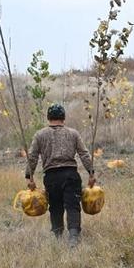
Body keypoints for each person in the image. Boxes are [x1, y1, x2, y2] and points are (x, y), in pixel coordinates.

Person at [24, 103, 96, 246]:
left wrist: (29, 177)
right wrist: (91, 173)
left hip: (51, 177)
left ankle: (57, 237)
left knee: (55, 206)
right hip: (70, 175)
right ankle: (73, 237)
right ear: (63, 118)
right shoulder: (73, 133)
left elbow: (32, 157)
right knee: (72, 205)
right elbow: (84, 154)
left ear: (48, 118)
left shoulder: (40, 135)